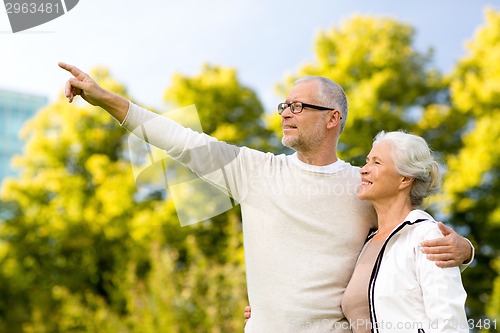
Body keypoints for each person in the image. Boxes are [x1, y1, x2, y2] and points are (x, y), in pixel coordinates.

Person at [58, 62, 473, 333]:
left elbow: (408, 236)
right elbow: (180, 140)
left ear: (333, 119)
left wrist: (465, 248)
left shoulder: (362, 185)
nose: (286, 112)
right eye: (283, 105)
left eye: (298, 105)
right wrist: (108, 100)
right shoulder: (254, 171)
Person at [341, 131, 468, 332]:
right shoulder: (366, 243)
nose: (363, 170)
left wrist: (468, 250)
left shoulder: (426, 236)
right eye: (366, 161)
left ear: (405, 179)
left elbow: (450, 323)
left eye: (377, 163)